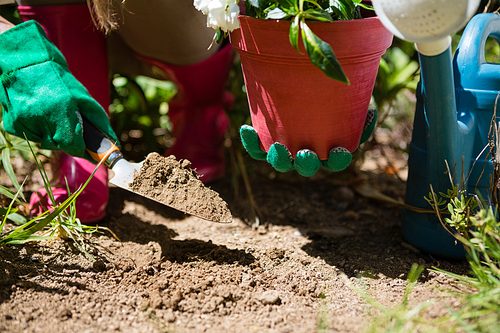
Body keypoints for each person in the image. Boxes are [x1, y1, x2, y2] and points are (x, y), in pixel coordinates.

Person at [0, 0, 234, 223]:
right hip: (82, 30)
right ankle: (79, 155)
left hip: (170, 26)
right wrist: (16, 53)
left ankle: (201, 112)